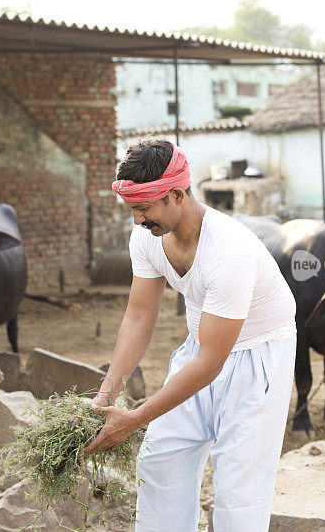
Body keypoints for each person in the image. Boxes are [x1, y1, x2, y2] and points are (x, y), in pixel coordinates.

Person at [82, 139, 297, 532]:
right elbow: (139, 316)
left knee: (238, 493)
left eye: (143, 208)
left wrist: (133, 419)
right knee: (159, 461)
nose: (137, 220)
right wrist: (107, 394)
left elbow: (211, 364)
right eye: (132, 209)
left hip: (258, 359)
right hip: (199, 349)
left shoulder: (230, 254)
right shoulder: (148, 237)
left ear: (177, 195)